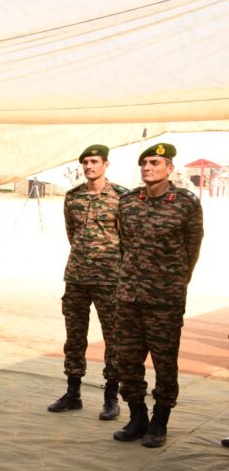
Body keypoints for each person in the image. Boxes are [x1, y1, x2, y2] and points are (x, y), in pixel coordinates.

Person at [113, 143, 203, 448]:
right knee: (127, 362)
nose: (148, 168)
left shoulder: (185, 203)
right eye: (144, 163)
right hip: (129, 298)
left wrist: (174, 284)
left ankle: (160, 420)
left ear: (170, 169)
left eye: (155, 162)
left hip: (165, 301)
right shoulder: (127, 203)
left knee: (164, 364)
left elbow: (192, 249)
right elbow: (124, 245)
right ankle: (137, 417)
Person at [47, 145, 128, 420]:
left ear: (106, 164)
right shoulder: (73, 197)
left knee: (114, 339)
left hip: (109, 280)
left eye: (94, 161)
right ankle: (73, 393)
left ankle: (111, 398)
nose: (89, 166)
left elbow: (126, 238)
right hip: (77, 278)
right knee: (74, 338)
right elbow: (72, 234)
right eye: (85, 162)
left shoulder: (122, 197)